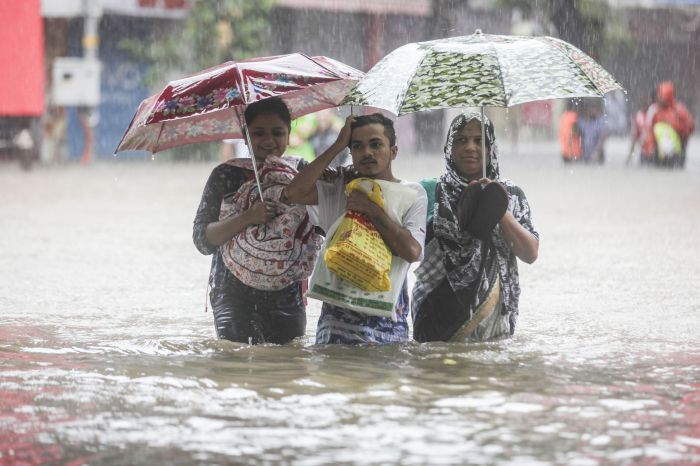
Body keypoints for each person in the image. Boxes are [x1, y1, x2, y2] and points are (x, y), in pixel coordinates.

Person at [284, 113, 428, 344]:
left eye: (376, 144)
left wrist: (372, 209)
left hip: (387, 331)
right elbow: (293, 193)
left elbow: (412, 251)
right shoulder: (340, 187)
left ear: (394, 151)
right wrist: (336, 147)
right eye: (357, 146)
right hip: (335, 331)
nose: (367, 152)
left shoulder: (413, 193)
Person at [192, 97, 321, 345]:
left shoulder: (301, 172)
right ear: (245, 134)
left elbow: (322, 225)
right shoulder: (226, 175)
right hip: (231, 294)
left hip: (286, 295)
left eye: (277, 133)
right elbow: (203, 240)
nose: (269, 141)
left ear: (289, 133)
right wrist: (248, 217)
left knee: (285, 368)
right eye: (258, 133)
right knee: (235, 365)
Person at [412, 111, 539, 342]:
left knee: (488, 373)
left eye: (480, 141)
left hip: (493, 318)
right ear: (449, 148)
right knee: (433, 372)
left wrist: (495, 204)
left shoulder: (511, 194)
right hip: (436, 316)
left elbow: (529, 253)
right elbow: (407, 247)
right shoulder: (429, 192)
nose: (470, 147)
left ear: (491, 149)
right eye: (461, 140)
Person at [646, 81, 695, 167]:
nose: (657, 97)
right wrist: (650, 147)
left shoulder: (680, 110)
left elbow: (690, 129)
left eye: (660, 95)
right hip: (658, 151)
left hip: (677, 151)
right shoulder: (655, 110)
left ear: (666, 96)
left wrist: (674, 127)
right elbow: (650, 131)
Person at [626, 91, 656, 166]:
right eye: (644, 101)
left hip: (656, 152)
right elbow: (634, 137)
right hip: (644, 153)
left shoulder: (656, 113)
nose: (646, 103)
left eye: (648, 101)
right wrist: (629, 157)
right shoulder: (638, 116)